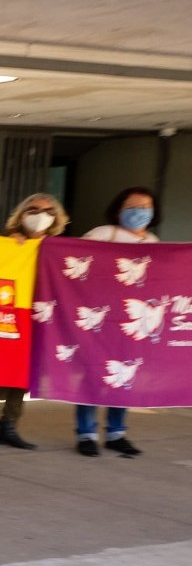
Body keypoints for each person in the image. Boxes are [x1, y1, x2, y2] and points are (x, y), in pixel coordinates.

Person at [73, 187, 159, 457]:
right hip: (101, 318)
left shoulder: (154, 242)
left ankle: (116, 433)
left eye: (145, 207)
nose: (139, 212)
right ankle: (86, 433)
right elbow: (73, 258)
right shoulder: (102, 234)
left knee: (125, 376)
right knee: (93, 374)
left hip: (132, 321)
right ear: (119, 210)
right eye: (132, 207)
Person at [0, 193, 69, 450]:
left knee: (24, 373)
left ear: (56, 218)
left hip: (40, 316)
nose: (40, 215)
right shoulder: (8, 242)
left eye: (48, 211)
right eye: (33, 209)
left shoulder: (57, 248)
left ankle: (9, 425)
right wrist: (10, 248)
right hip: (11, 312)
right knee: (1, 370)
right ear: (22, 214)